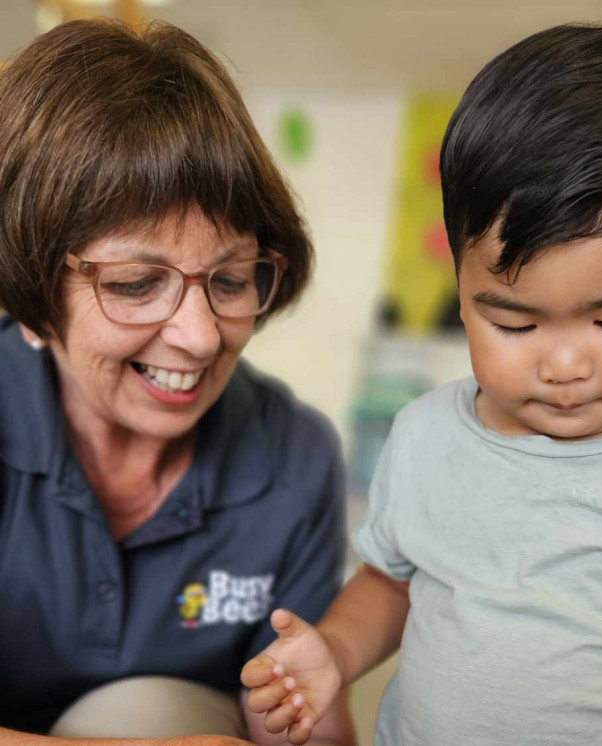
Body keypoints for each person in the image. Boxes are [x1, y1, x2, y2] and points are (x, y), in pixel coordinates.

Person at [241, 22, 602, 746]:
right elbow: (390, 583)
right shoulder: (425, 436)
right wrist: (336, 653)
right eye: (514, 324)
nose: (564, 366)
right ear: (462, 276)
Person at [0, 18, 356, 746]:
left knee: (149, 708)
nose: (199, 336)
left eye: (229, 279)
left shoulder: (294, 456)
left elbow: (304, 721)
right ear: (31, 303)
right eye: (136, 284)